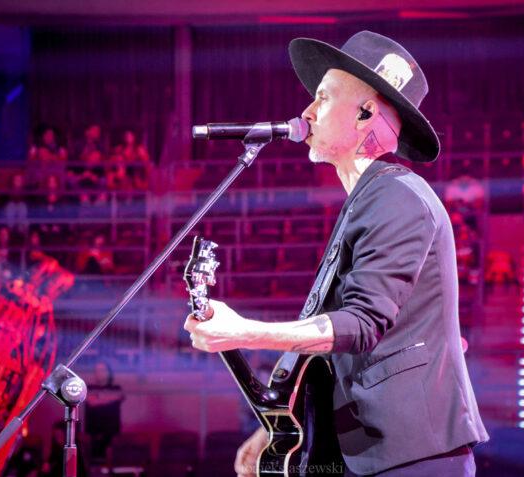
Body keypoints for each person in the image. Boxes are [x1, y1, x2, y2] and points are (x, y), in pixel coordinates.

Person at [184, 31, 488, 477]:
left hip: (411, 456)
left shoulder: (398, 198)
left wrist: (243, 331)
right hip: (374, 452)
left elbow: (360, 324)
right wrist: (284, 426)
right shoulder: (367, 201)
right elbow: (333, 349)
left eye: (323, 97)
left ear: (366, 114)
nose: (307, 112)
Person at [84, 361, 124, 463]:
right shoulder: (89, 388)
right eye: (97, 370)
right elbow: (91, 401)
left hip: (112, 434)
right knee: (94, 463)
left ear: (109, 372)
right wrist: (107, 398)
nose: (99, 372)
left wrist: (98, 398)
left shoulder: (116, 388)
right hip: (93, 434)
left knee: (112, 463)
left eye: (102, 370)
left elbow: (119, 395)